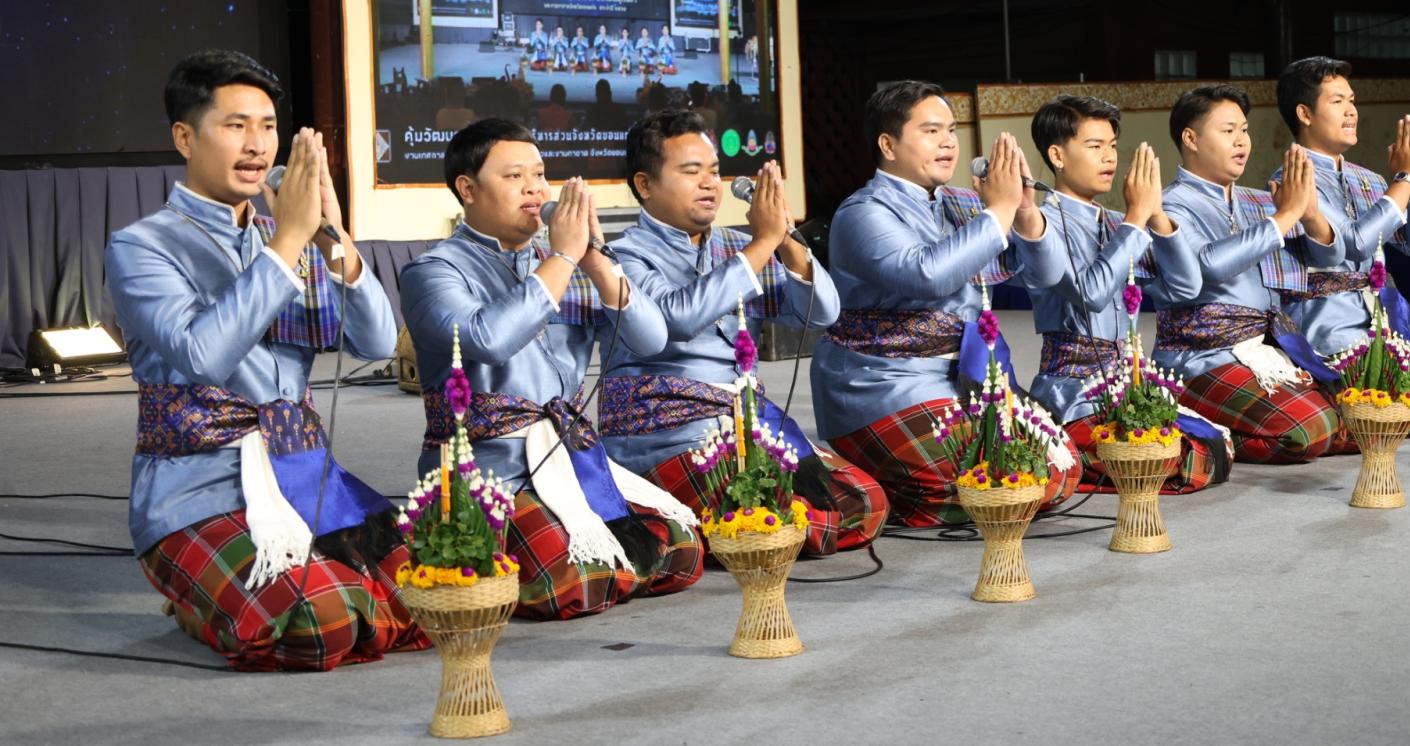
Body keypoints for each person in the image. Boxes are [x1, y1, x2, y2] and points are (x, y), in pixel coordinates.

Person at [105, 50, 424, 671]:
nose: (257, 145)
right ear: (184, 138)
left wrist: (332, 235)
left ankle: (270, 588)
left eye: (269, 127)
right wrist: (287, 242)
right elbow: (203, 356)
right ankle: (203, 598)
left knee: (434, 588)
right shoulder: (141, 246)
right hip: (199, 494)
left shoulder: (292, 236)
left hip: (303, 479)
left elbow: (377, 342)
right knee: (325, 621)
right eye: (236, 126)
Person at [400, 119, 702, 620]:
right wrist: (562, 256)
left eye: (539, 175)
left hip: (569, 459)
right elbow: (489, 340)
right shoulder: (433, 270)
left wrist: (597, 260)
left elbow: (651, 340)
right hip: (489, 470)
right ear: (468, 190)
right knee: (579, 578)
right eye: (514, 176)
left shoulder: (568, 265)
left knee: (681, 548)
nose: (535, 189)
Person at [599, 111, 887, 556]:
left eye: (714, 172)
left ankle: (722, 532)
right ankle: (702, 524)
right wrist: (761, 245)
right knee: (771, 515)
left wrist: (785, 239)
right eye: (691, 172)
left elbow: (822, 314)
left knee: (865, 500)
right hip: (668, 436)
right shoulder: (622, 256)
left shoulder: (736, 247)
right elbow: (678, 318)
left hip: (745, 426)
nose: (709, 184)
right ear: (645, 184)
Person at [810, 81, 1079, 527]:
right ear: (888, 145)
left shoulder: (965, 203)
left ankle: (904, 482)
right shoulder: (862, 212)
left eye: (951, 131)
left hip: (962, 381)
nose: (949, 142)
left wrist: (1024, 211)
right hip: (884, 385)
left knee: (1060, 466)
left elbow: (1047, 274)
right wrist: (998, 211)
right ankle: (877, 477)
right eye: (931, 131)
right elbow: (928, 276)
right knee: (984, 482)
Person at [1025, 94, 1230, 494]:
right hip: (1072, 393)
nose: (1109, 158)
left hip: (1125, 386)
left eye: (1113, 146)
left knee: (1211, 447)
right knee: (1170, 458)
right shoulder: (1042, 224)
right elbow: (1091, 294)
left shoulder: (1119, 223)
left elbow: (1186, 286)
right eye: (1094, 146)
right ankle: (1065, 455)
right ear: (1057, 155)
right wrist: (1136, 219)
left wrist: (1156, 215)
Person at [1272, 57, 1410, 437]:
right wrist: (1405, 178)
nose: (1351, 111)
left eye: (1352, 100)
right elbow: (1353, 244)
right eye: (1337, 101)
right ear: (1304, 113)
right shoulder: (1292, 179)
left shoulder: (1366, 179)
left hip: (1381, 322)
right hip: (1328, 327)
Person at [1151, 84, 1349, 465]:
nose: (1242, 141)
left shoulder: (1255, 200)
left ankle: (1220, 428)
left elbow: (1328, 256)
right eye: (1228, 131)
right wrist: (1285, 216)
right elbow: (1207, 265)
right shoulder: (1169, 204)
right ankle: (1202, 428)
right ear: (1190, 138)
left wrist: (1309, 216)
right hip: (1201, 358)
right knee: (1306, 428)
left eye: (1244, 130)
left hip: (1259, 350)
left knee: (1349, 412)